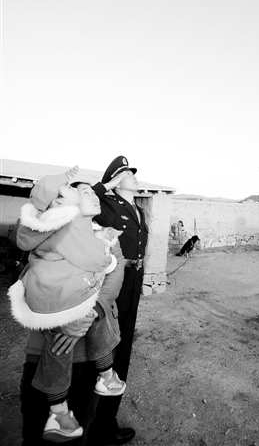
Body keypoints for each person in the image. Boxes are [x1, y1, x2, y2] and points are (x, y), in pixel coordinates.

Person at [17, 182, 125, 446]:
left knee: (82, 425)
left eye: (93, 191)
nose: (93, 195)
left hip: (90, 352)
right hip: (48, 347)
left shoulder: (107, 235)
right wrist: (63, 320)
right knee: (36, 430)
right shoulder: (49, 234)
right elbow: (31, 283)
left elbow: (115, 275)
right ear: (63, 204)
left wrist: (89, 314)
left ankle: (102, 380)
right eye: (84, 192)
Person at [88, 156, 149, 446]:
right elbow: (78, 205)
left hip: (133, 281)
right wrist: (106, 186)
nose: (134, 176)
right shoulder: (106, 204)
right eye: (127, 173)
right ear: (114, 180)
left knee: (122, 349)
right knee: (106, 345)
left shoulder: (138, 209)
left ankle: (104, 423)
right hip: (113, 282)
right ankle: (94, 423)